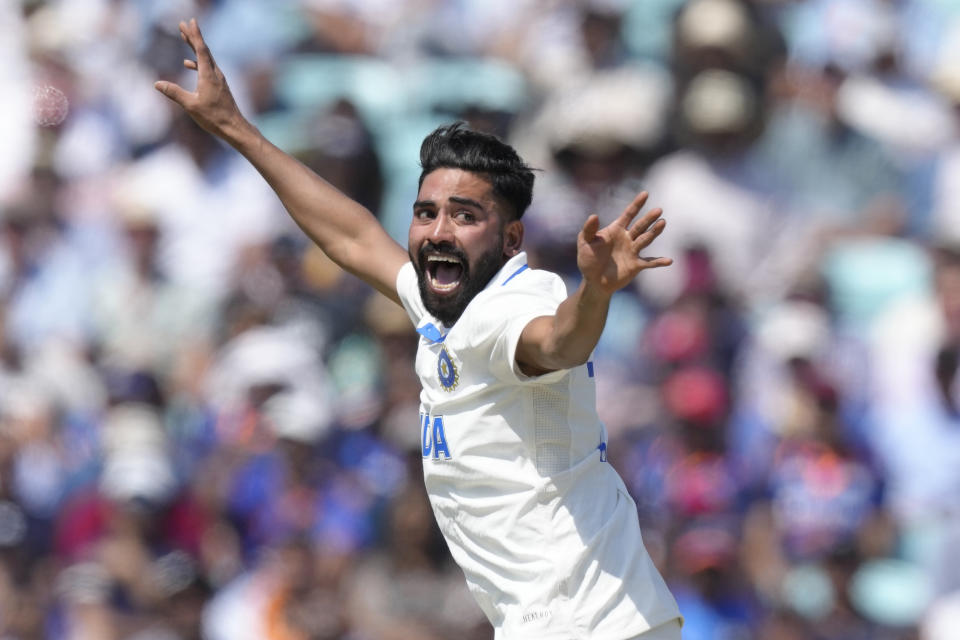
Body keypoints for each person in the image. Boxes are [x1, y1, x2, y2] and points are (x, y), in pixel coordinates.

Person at [155, 18, 683, 639]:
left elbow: (558, 341)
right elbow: (351, 236)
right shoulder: (442, 298)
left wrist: (594, 293)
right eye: (426, 212)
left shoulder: (508, 305)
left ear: (511, 238)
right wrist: (233, 128)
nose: (437, 231)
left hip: (584, 622)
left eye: (464, 216)